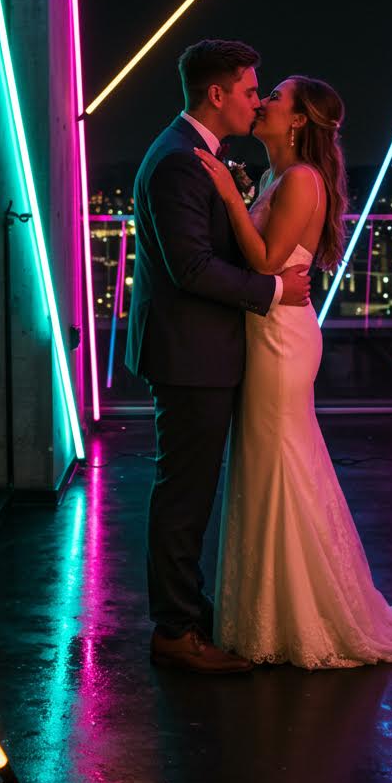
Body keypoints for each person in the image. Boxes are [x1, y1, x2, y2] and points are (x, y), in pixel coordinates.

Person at [195, 75, 392, 668]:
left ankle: (300, 613)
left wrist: (228, 195)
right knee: (269, 460)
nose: (265, 102)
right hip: (268, 329)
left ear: (298, 120)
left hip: (280, 339)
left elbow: (270, 262)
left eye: (275, 96)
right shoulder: (280, 176)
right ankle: (273, 606)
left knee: (281, 460)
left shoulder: (300, 180)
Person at [125, 39, 312, 674]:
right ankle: (175, 632)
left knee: (191, 489)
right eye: (250, 90)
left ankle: (187, 611)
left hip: (200, 350)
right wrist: (274, 289)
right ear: (217, 94)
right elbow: (191, 268)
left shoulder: (194, 155)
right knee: (184, 494)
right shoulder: (181, 161)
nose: (256, 100)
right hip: (189, 355)